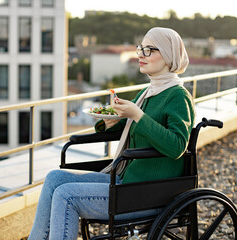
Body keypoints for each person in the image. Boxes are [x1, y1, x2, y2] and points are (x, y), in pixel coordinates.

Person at [28, 27, 195, 240]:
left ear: (168, 55)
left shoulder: (178, 97)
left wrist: (137, 115)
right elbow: (126, 125)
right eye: (140, 49)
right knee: (54, 179)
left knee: (66, 195)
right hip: (127, 180)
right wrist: (109, 120)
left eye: (149, 50)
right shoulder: (148, 93)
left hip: (147, 192)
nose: (140, 55)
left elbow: (177, 146)